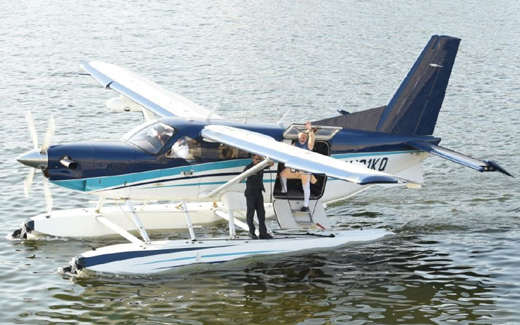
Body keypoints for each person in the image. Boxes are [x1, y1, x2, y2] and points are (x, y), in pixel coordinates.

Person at [280, 121, 316, 212]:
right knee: (282, 174)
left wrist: (310, 130)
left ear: (306, 138)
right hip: (295, 169)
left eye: (303, 137)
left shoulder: (309, 144)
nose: (302, 139)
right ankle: (284, 191)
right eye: (300, 137)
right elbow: (289, 151)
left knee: (306, 186)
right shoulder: (295, 144)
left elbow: (312, 139)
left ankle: (306, 205)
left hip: (305, 170)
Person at [243, 154, 273, 239]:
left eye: (259, 159)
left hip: (259, 192)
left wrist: (263, 158)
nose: (258, 161)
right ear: (252, 159)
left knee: (261, 214)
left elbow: (271, 164)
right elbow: (244, 174)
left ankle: (263, 233)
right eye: (256, 159)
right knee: (250, 213)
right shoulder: (249, 167)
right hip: (251, 193)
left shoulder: (261, 166)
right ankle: (251, 232)